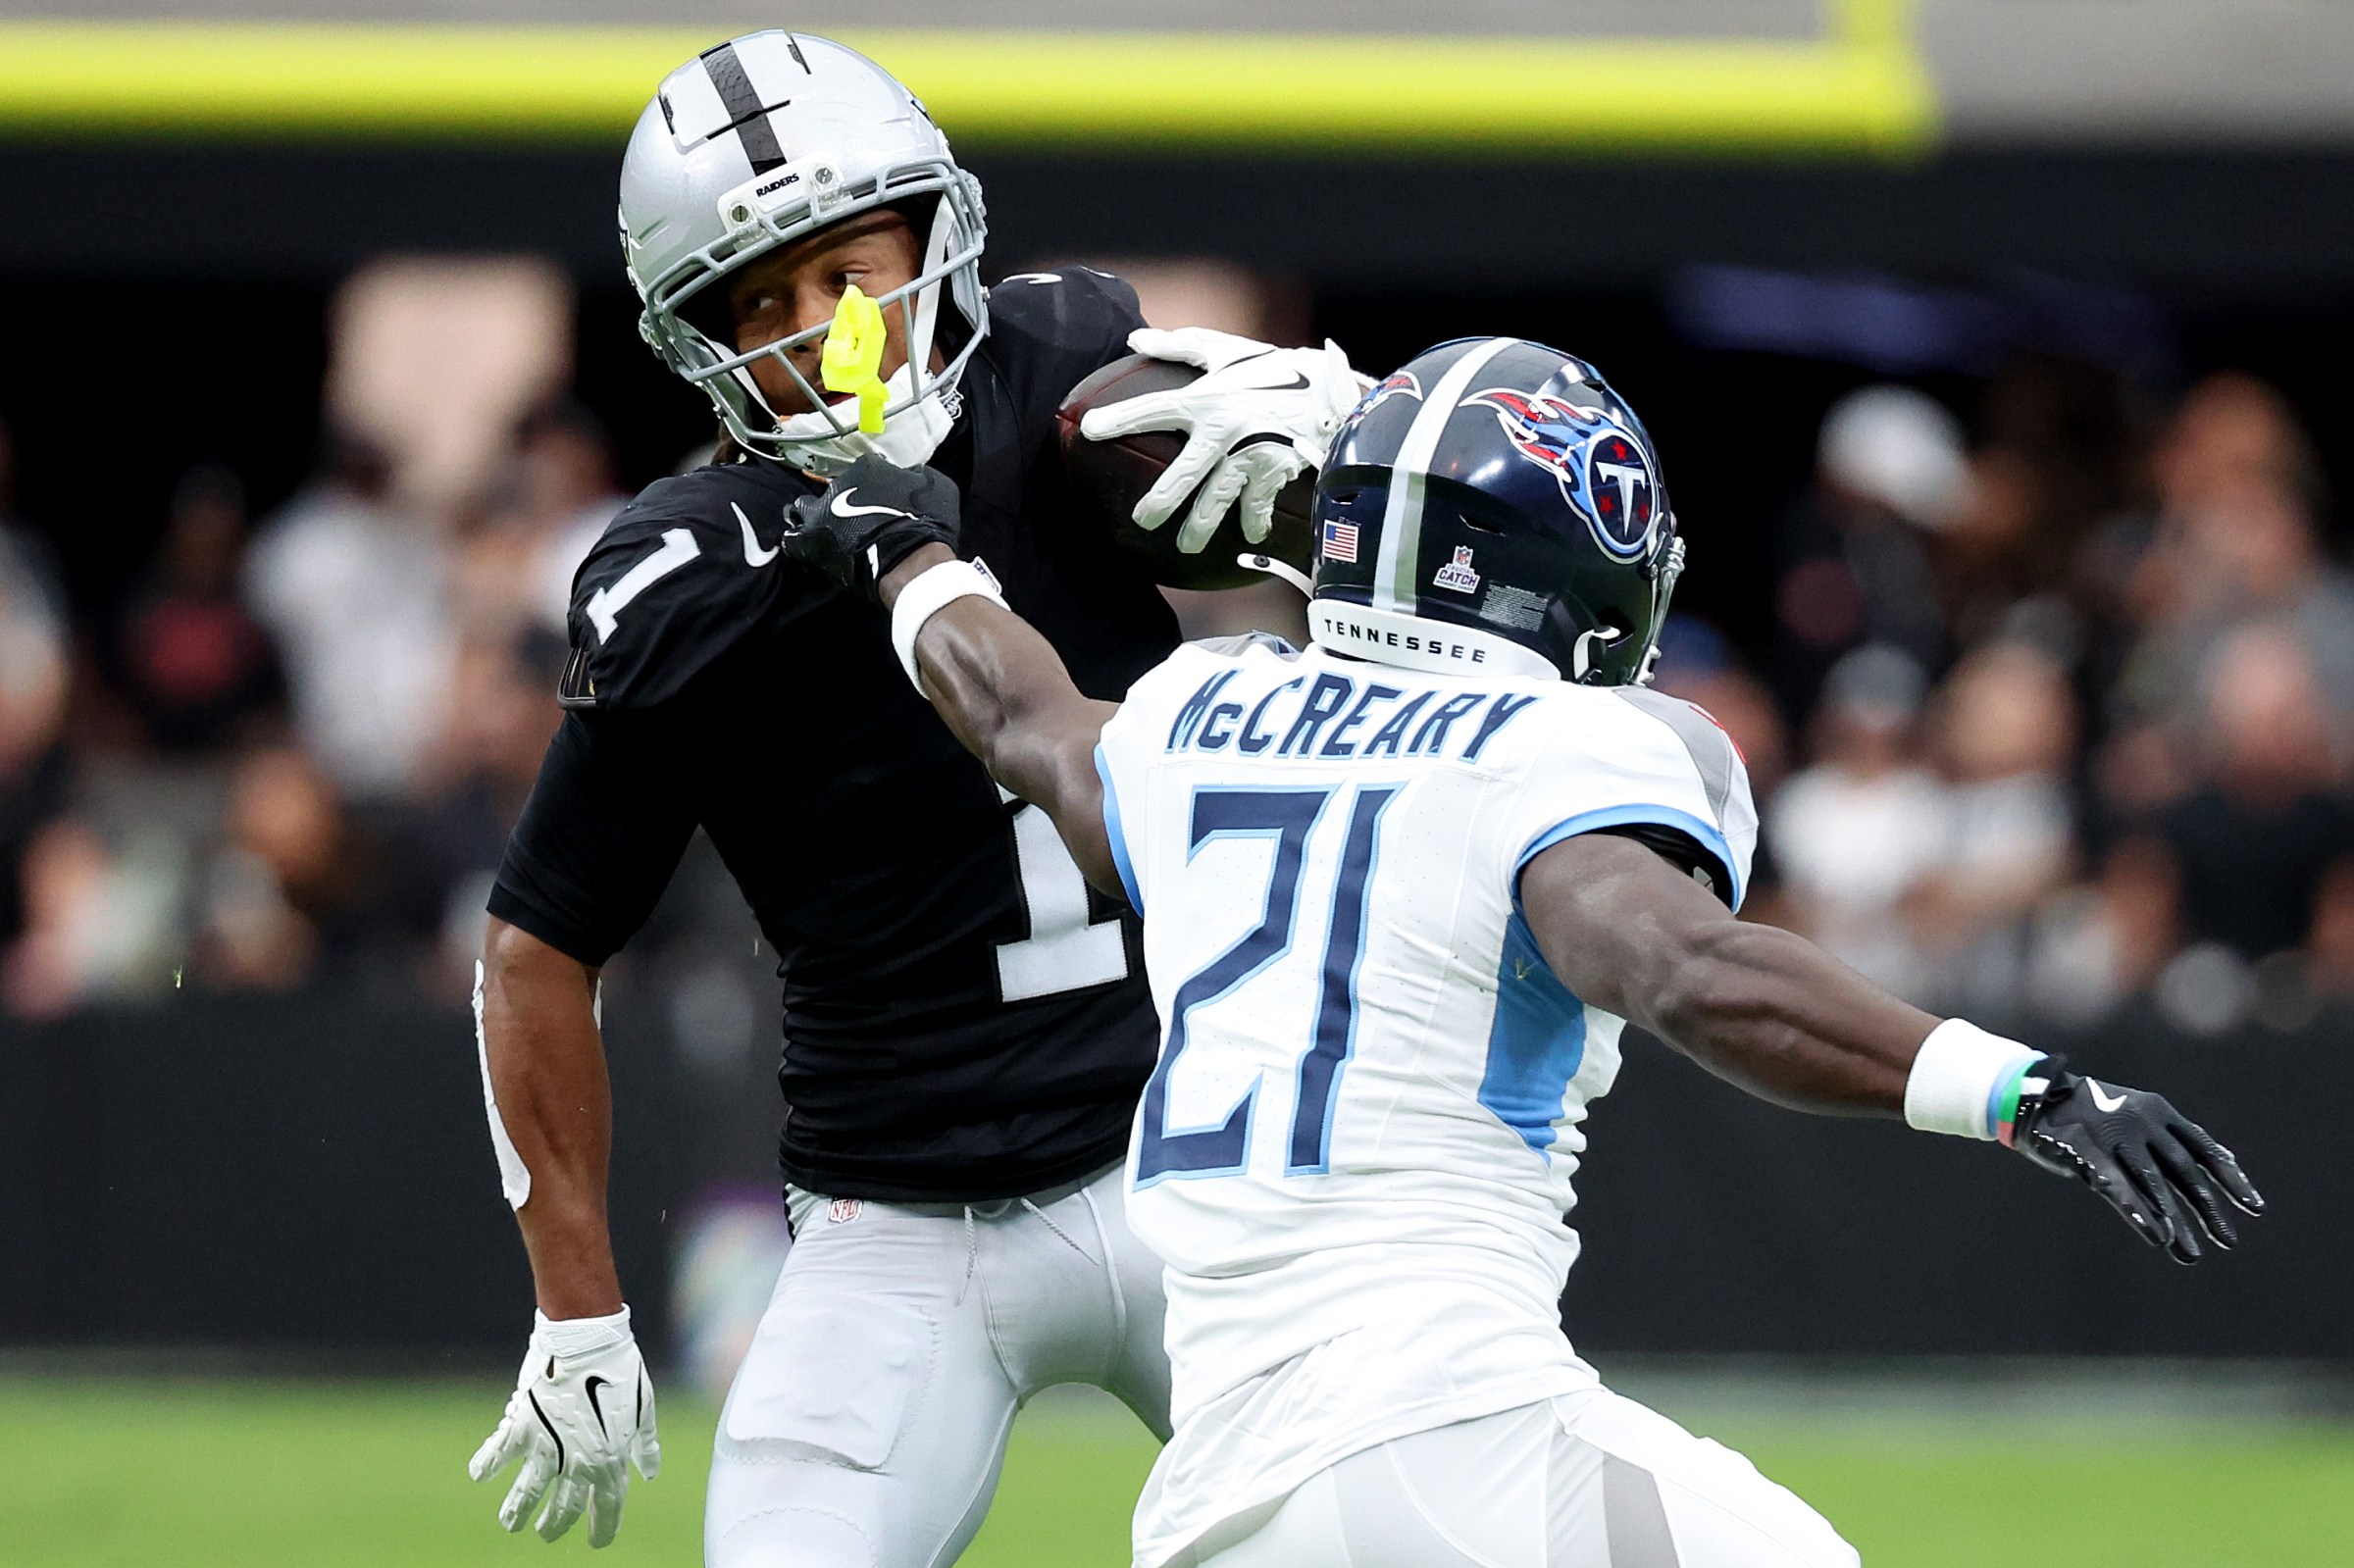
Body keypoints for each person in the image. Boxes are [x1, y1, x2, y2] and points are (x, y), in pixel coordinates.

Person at [783, 335, 2264, 1568]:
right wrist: (2023, 1091)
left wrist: (900, 542)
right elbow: (1685, 969)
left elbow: (1024, 721)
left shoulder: (1193, 712)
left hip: (1219, 1497)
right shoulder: (1551, 742)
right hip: (1449, 1439)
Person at [463, 30, 1366, 1563]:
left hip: (1190, 1163)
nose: (826, 333)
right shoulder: (686, 575)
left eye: (847, 272)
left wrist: (1337, 458)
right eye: (762, 304)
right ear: (696, 340)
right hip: (899, 1227)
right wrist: (577, 1307)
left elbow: (1340, 539)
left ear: (935, 240)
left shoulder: (1072, 379)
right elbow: (539, 950)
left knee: (1409, 1535)